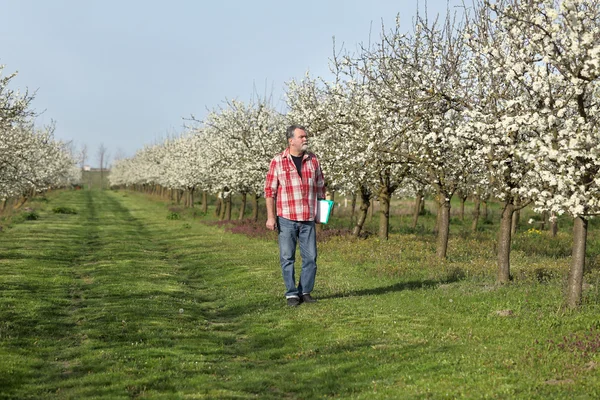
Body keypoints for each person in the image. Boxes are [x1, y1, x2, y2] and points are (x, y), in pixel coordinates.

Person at [264, 125, 326, 307]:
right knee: (287, 257)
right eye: (302, 137)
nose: (305, 139)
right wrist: (271, 217)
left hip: (308, 218)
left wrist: (321, 214)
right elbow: (270, 191)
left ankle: (305, 291)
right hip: (286, 217)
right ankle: (291, 293)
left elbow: (321, 187)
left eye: (306, 136)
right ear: (291, 141)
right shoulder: (278, 161)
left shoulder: (313, 160)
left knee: (311, 258)